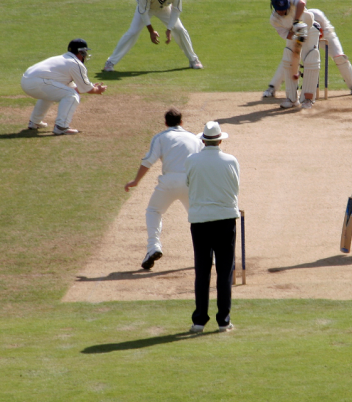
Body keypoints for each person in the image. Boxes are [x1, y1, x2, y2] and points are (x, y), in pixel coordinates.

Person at [124, 108, 203, 270]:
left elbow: (148, 161)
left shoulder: (160, 137)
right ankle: (210, 256)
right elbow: (202, 161)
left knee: (154, 210)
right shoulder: (195, 139)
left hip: (169, 182)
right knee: (198, 218)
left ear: (166, 123)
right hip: (191, 182)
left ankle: (153, 247)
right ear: (181, 122)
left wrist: (136, 181)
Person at [185, 121, 240, 333]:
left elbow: (189, 184)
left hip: (200, 220)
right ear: (219, 140)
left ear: (203, 140)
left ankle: (199, 320)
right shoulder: (230, 160)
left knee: (202, 269)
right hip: (225, 219)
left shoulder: (192, 161)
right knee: (224, 271)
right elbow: (235, 188)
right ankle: (223, 321)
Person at [103, 0, 202, 72]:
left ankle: (193, 59)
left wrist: (169, 29)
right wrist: (151, 31)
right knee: (133, 32)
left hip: (164, 8)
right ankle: (110, 62)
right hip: (147, 9)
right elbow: (143, 12)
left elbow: (176, 9)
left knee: (180, 30)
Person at [263, 7, 352, 98]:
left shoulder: (317, 14)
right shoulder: (298, 21)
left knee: (340, 57)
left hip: (326, 36)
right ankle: (272, 87)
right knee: (288, 59)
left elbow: (324, 31)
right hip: (306, 40)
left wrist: (316, 38)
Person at [21, 39, 107, 135]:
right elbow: (87, 89)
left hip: (26, 80)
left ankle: (34, 122)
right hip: (38, 82)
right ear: (81, 52)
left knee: (52, 94)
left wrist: (90, 87)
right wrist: (97, 89)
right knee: (72, 96)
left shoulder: (62, 59)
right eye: (85, 52)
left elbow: (73, 88)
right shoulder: (75, 64)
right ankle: (61, 127)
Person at [268, 0, 321, 109]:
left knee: (311, 60)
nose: (281, 12)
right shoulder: (274, 19)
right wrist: (296, 34)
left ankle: (308, 99)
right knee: (288, 59)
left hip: (310, 29)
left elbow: (302, 3)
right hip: (293, 34)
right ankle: (292, 99)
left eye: (283, 9)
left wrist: (297, 21)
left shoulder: (292, 1)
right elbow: (286, 34)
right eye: (279, 10)